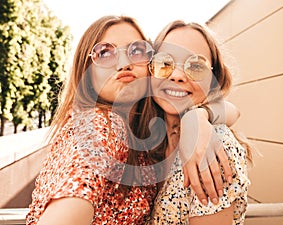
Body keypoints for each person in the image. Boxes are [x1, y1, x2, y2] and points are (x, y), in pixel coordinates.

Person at [26, 15, 239, 225]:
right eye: (104, 53)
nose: (124, 63)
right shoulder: (101, 127)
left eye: (136, 51)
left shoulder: (151, 133)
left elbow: (232, 111)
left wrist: (199, 116)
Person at [147, 20, 252, 225]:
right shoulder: (146, 139)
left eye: (196, 66)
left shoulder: (213, 145)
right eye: (164, 63)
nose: (177, 76)